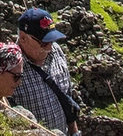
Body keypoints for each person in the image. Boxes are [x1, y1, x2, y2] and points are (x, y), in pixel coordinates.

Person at [11, 8, 79, 136]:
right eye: (43, 43)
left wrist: (74, 131)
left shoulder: (56, 51)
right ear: (23, 38)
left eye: (52, 41)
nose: (49, 48)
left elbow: (66, 96)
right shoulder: (11, 66)